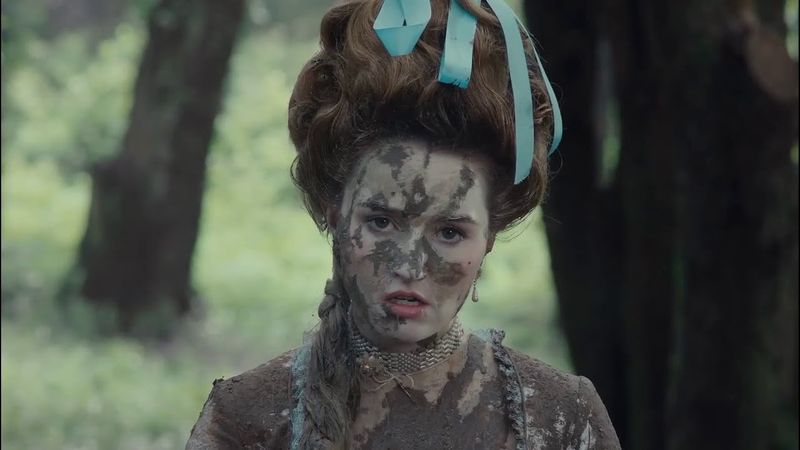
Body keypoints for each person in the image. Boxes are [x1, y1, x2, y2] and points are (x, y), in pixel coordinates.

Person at [186, 0, 621, 448]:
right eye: (381, 222)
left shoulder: (562, 417)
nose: (410, 266)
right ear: (335, 214)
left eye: (450, 232)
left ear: (488, 239)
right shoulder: (247, 417)